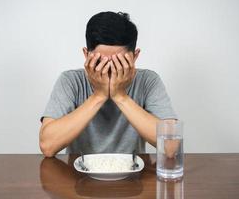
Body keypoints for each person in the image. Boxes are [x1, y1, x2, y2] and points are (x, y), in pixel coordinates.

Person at [39, 11, 177, 157]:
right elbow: (47, 146)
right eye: (101, 62)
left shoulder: (148, 81)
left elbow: (171, 146)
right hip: (79, 175)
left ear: (135, 57)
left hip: (133, 175)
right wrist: (99, 95)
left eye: (120, 62)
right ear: (86, 55)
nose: (109, 70)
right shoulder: (70, 81)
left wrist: (120, 96)